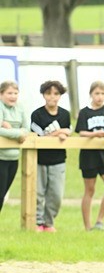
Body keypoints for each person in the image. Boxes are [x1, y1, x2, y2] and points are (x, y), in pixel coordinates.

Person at [75, 81, 104, 231]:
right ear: (91, 95)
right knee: (90, 190)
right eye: (97, 93)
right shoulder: (85, 112)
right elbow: (81, 132)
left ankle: (100, 220)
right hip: (88, 156)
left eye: (102, 93)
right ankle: (87, 226)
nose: (100, 97)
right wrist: (95, 134)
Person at [30, 80, 72, 231]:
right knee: (38, 192)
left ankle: (49, 222)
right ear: (43, 95)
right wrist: (59, 133)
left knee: (56, 194)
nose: (52, 97)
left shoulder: (65, 114)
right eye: (48, 93)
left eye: (56, 94)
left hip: (58, 160)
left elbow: (69, 131)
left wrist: (63, 133)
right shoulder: (37, 114)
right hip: (40, 160)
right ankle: (38, 222)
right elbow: (39, 137)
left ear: (60, 96)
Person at [0, 80, 28, 213]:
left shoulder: (21, 107)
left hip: (13, 158)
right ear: (1, 94)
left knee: (3, 194)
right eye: (9, 93)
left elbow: (26, 129)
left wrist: (9, 128)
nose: (13, 96)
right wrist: (17, 133)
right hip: (1, 158)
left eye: (15, 93)